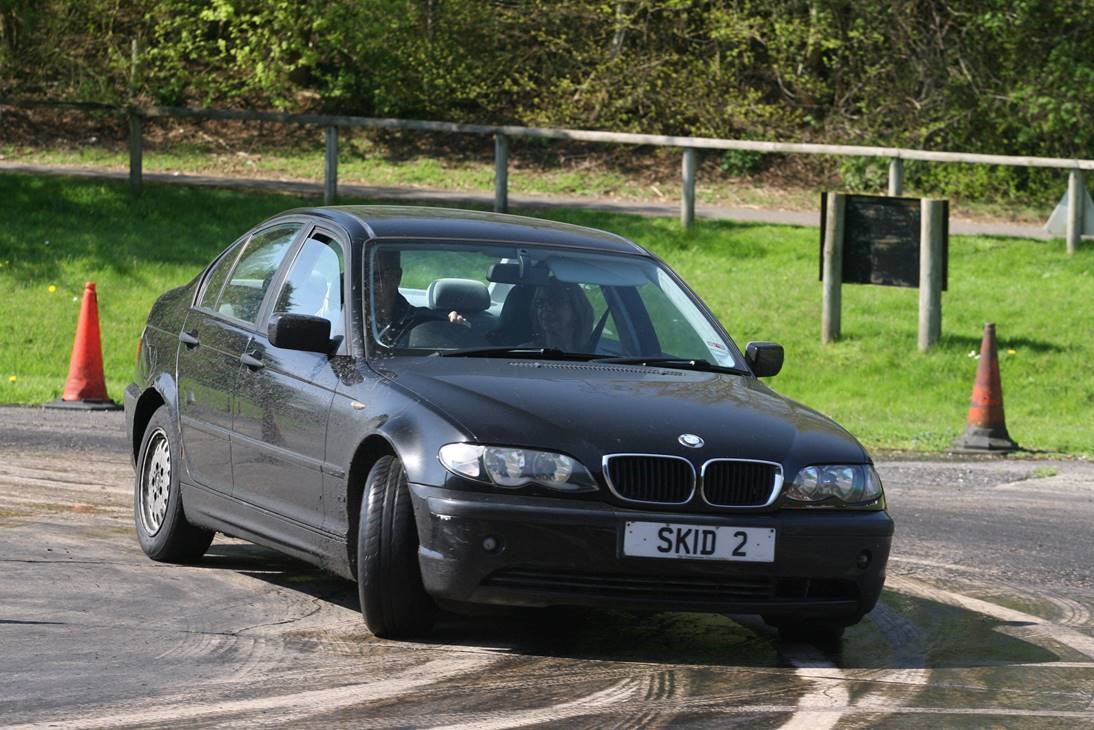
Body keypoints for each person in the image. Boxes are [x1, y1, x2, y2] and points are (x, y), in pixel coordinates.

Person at [528, 281, 594, 352]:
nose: (547, 308)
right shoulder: (522, 355)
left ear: (576, 309)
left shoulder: (596, 356)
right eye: (540, 302)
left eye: (556, 301)